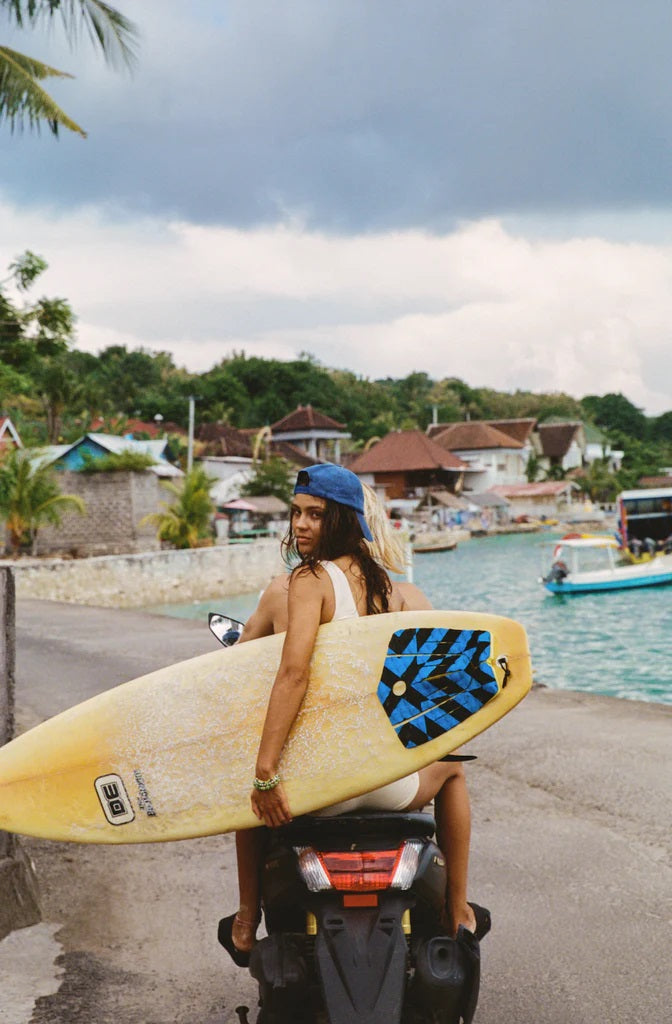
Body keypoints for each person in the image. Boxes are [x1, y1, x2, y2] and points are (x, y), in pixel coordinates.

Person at [218, 464, 488, 966]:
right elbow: (434, 682)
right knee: (453, 770)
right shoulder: (393, 590)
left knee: (252, 794)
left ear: (339, 520)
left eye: (315, 515)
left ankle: (244, 917)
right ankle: (458, 909)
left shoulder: (307, 579)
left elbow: (292, 674)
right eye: (296, 513)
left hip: (320, 788)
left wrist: (265, 771)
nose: (299, 524)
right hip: (389, 784)